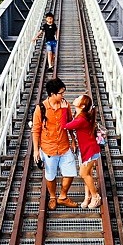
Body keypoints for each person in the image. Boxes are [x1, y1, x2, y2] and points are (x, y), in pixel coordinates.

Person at [32, 78, 78, 209]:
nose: (63, 95)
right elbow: (35, 130)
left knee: (70, 173)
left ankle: (63, 196)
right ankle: (52, 196)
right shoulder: (40, 109)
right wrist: (36, 150)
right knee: (50, 175)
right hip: (48, 148)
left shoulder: (66, 105)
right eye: (61, 93)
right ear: (52, 94)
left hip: (64, 146)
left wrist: (73, 140)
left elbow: (69, 124)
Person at [63, 94, 101, 209]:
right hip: (86, 149)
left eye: (78, 98)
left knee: (83, 174)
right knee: (87, 174)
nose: (75, 98)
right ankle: (87, 197)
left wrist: (64, 110)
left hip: (89, 150)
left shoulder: (80, 119)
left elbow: (65, 126)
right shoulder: (80, 115)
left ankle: (95, 197)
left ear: (82, 105)